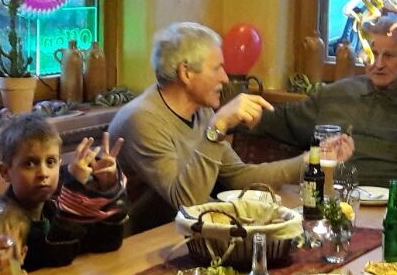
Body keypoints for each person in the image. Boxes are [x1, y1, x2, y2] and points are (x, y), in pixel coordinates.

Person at [110, 22, 333, 233]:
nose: (225, 78)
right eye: (216, 68)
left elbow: (239, 176)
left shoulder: (200, 109)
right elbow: (187, 202)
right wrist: (218, 127)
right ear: (186, 73)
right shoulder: (142, 120)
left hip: (182, 234)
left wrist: (309, 162)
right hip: (137, 249)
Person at [246, 17, 397, 191]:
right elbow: (278, 121)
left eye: (389, 55)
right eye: (371, 54)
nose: (378, 64)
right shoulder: (336, 94)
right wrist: (225, 119)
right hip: (333, 202)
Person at [0, 113, 126, 269]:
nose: (43, 173)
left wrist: (108, 188)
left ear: (60, 164)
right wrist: (74, 189)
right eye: (29, 164)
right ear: (5, 172)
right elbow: (55, 257)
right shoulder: (1, 223)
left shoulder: (54, 206)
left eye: (50, 162)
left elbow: (106, 243)